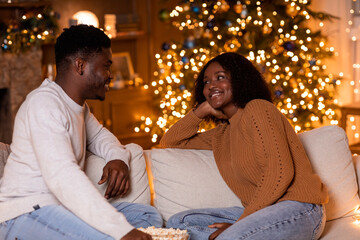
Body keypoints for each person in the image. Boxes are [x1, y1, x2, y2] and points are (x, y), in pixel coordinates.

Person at [0, 25, 162, 240]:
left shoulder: (78, 107)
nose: (110, 76)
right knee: (119, 235)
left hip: (61, 210)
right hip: (26, 213)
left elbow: (102, 137)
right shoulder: (44, 104)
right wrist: (121, 230)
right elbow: (63, 176)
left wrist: (117, 158)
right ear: (80, 65)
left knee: (145, 215)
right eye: (106, 66)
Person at [160, 52, 328, 240]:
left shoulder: (258, 109)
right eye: (206, 82)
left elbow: (280, 173)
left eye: (220, 77)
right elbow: (170, 141)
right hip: (258, 213)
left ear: (239, 80)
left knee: (228, 237)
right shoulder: (222, 134)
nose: (211, 86)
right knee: (179, 223)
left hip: (299, 208)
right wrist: (201, 111)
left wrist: (240, 224)